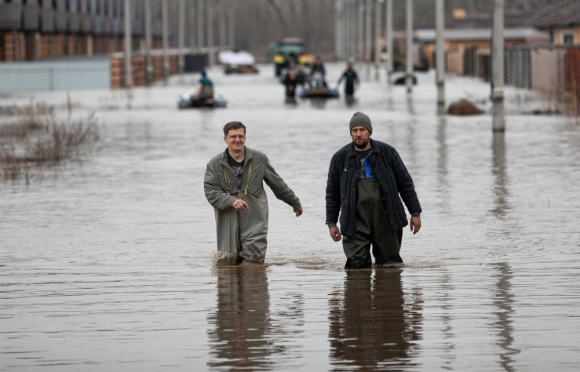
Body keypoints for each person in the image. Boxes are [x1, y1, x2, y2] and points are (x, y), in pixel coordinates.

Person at [325, 112, 422, 269]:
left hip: (387, 216)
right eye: (354, 130)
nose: (358, 134)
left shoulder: (387, 153)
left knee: (390, 265)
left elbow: (405, 184)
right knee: (356, 266)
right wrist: (331, 222)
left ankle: (386, 292)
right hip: (354, 219)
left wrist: (415, 212)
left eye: (362, 130)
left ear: (370, 131)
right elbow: (332, 193)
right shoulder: (340, 158)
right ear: (350, 133)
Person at [204, 121, 303, 266]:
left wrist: (294, 202)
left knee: (253, 263)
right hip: (227, 219)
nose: (237, 140)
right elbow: (210, 191)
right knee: (228, 264)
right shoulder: (214, 163)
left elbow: (277, 183)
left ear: (245, 138)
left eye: (241, 136)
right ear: (225, 139)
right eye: (233, 137)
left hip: (255, 218)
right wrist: (231, 201)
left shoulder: (259, 158)